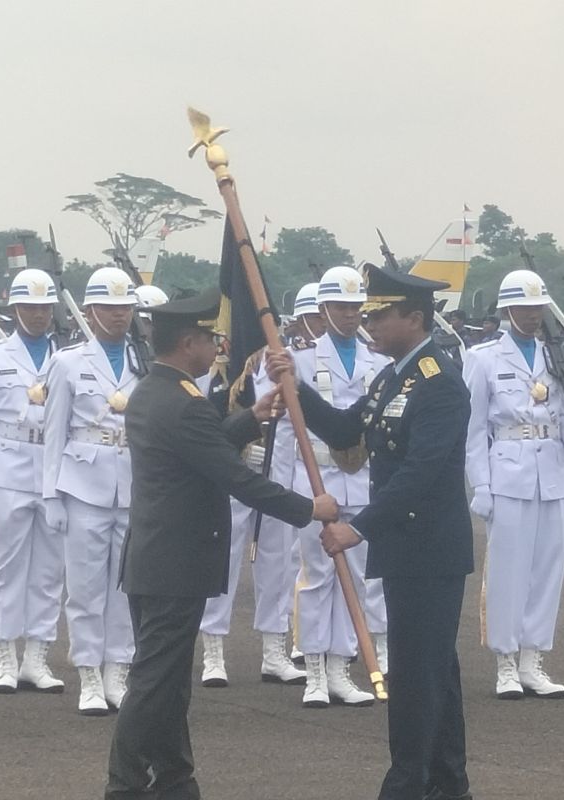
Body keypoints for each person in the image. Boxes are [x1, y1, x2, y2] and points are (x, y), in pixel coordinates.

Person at [105, 288, 335, 800]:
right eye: (210, 338)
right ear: (188, 343)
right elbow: (238, 479)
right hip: (175, 564)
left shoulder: (154, 391)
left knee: (167, 682)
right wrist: (309, 509)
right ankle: (123, 784)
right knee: (154, 682)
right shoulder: (183, 403)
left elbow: (200, 448)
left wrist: (251, 418)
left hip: (156, 558)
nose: (217, 346)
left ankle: (173, 779)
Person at [268, 264, 474, 800]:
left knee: (415, 675)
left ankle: (407, 783)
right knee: (434, 672)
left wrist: (358, 529)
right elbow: (342, 430)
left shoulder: (438, 380)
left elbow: (421, 472)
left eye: (381, 314)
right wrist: (294, 384)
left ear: (415, 317)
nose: (370, 323)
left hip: (429, 550)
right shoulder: (393, 376)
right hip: (406, 548)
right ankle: (447, 782)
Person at [464, 269, 564, 701]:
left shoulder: (554, 355)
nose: (533, 314)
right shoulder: (484, 358)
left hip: (553, 471)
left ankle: (533, 658)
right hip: (507, 470)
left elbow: (560, 417)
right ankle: (505, 661)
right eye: (524, 307)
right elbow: (472, 430)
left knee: (547, 570)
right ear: (507, 309)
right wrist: (480, 485)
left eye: (539, 306)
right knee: (508, 570)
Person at [197, 283, 323, 689]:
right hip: (240, 469)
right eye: (317, 315)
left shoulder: (305, 361)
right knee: (223, 559)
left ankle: (274, 650)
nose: (320, 324)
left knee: (279, 565)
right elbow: (220, 411)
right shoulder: (252, 360)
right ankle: (213, 652)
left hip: (282, 471)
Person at [287, 267, 392, 707]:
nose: (350, 316)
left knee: (363, 577)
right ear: (323, 310)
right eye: (341, 308)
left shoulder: (380, 361)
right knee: (317, 577)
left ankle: (340, 668)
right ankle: (314, 670)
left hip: (363, 481)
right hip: (319, 481)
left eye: (355, 308)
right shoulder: (302, 360)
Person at [42, 266, 142, 715]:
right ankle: (87, 675)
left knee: (124, 587)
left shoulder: (144, 361)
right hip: (82, 484)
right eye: (109, 307)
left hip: (132, 485)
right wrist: (50, 495)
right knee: (84, 588)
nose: (118, 315)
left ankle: (117, 671)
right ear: (90, 311)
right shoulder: (67, 363)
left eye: (125, 307)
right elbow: (53, 432)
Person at [0, 268, 67, 695]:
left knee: (49, 570)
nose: (39, 314)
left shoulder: (66, 354)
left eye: (45, 307)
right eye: (30, 306)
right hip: (7, 470)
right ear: (14, 309)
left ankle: (36, 658)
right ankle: (5, 656)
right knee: (5, 567)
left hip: (54, 471)